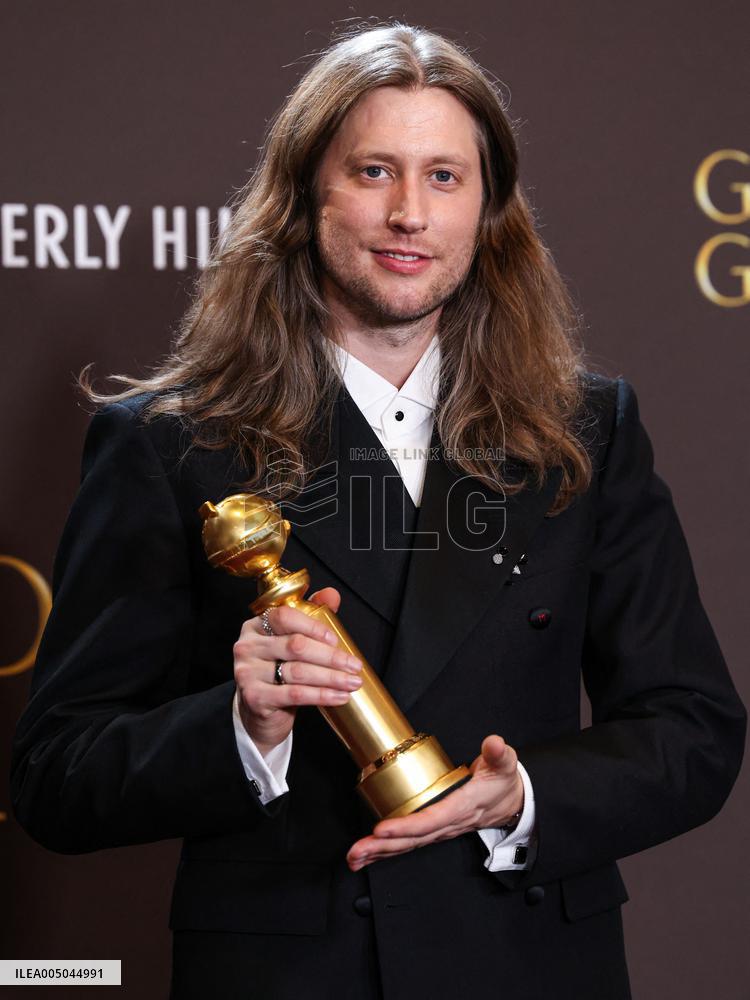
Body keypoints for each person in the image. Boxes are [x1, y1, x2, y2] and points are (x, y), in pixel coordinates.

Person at [10, 22, 746, 1000]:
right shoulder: (171, 443)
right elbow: (58, 775)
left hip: (528, 964)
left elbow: (692, 726)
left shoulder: (587, 430)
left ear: (489, 211)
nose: (409, 213)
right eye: (373, 171)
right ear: (305, 196)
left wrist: (522, 794)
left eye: (445, 176)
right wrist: (242, 726)